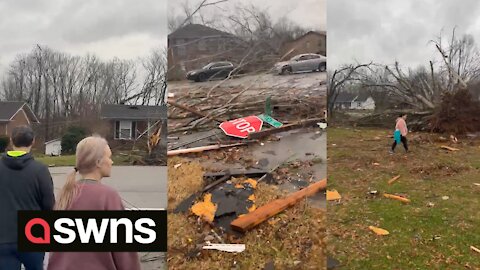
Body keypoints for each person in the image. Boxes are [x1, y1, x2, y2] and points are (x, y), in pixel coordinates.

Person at [47, 135, 141, 270]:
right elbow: (125, 252)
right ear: (98, 162)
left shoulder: (65, 194)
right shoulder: (108, 196)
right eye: (109, 157)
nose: (111, 162)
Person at [0, 125, 55, 270]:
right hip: (33, 234)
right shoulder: (40, 170)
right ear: (33, 142)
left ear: (11, 141)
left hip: (3, 236)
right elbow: (49, 205)